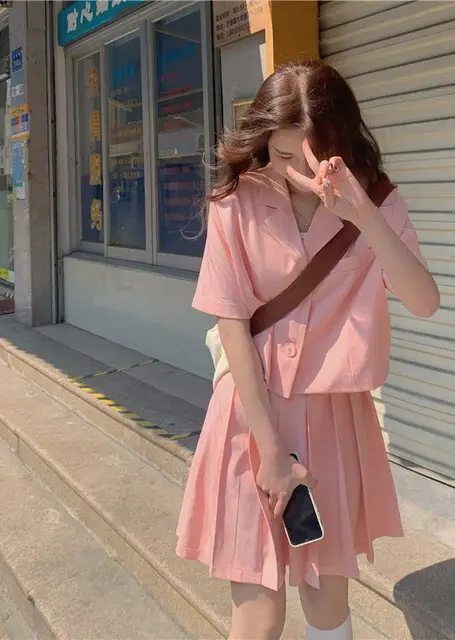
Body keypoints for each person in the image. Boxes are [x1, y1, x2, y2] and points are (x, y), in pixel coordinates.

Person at [176, 60, 440, 640]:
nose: (295, 171)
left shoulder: (378, 203)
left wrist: (362, 214)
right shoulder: (236, 202)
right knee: (258, 617)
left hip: (333, 421)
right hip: (248, 417)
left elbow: (424, 302)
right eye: (281, 154)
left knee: (325, 604)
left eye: (311, 157)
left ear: (340, 145)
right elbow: (231, 324)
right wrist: (271, 453)